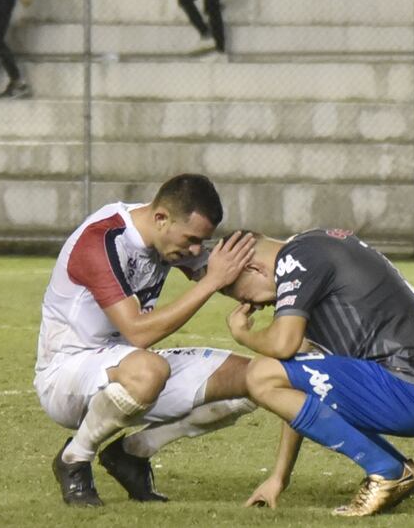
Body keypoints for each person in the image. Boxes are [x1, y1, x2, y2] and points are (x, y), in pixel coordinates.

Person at [34, 173, 256, 507]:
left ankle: (132, 453)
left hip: (128, 366)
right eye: (192, 240)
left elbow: (232, 276)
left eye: (202, 242)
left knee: (258, 378)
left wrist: (299, 282)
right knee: (149, 370)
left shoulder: (168, 237)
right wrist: (210, 282)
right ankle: (74, 458)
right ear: (161, 218)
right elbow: (139, 332)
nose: (196, 250)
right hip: (66, 376)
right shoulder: (102, 239)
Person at [222, 228, 414, 517]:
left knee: (259, 373)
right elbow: (298, 382)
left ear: (253, 268)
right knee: (271, 372)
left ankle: (386, 471)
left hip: (410, 391)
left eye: (247, 297)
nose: (257, 305)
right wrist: (279, 477)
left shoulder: (297, 258)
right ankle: (399, 469)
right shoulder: (314, 249)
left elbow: (282, 345)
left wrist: (243, 335)